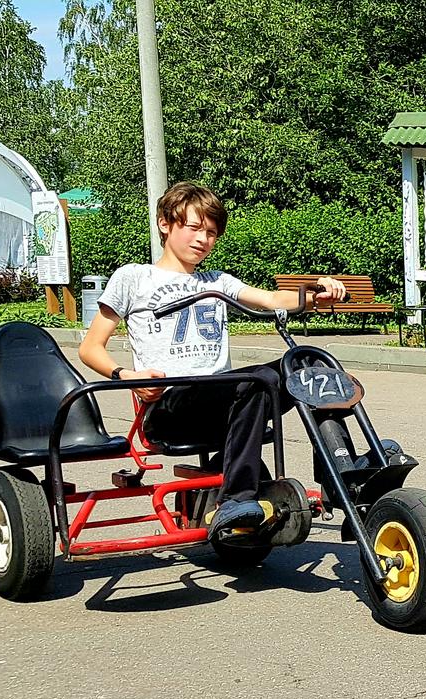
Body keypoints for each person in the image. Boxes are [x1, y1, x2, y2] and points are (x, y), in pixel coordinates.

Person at [79, 181, 346, 540]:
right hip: (169, 406)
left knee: (309, 366)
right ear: (164, 223)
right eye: (193, 228)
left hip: (227, 404)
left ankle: (342, 470)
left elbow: (270, 299)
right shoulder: (134, 277)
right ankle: (233, 501)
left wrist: (317, 293)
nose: (203, 239)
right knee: (256, 382)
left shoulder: (217, 280)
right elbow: (90, 347)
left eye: (211, 233)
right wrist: (129, 375)